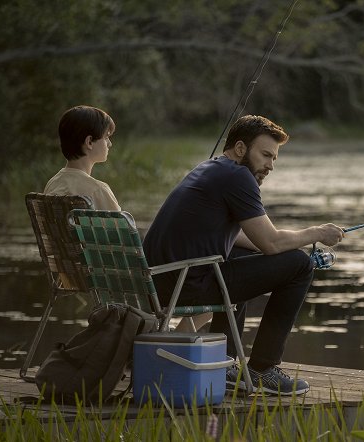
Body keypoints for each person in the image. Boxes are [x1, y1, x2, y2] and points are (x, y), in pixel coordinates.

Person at [143, 115, 344, 395]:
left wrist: (282, 246)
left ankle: (225, 363)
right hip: (185, 285)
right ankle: (263, 369)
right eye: (265, 155)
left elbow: (243, 238)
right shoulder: (238, 177)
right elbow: (271, 242)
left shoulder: (211, 168)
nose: (270, 165)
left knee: (241, 256)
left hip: (163, 281)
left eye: (274, 158)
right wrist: (317, 233)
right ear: (240, 148)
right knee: (299, 265)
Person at [44, 105, 121, 211]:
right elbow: (120, 227)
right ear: (89, 142)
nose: (110, 144)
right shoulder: (98, 190)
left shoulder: (53, 184)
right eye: (106, 137)